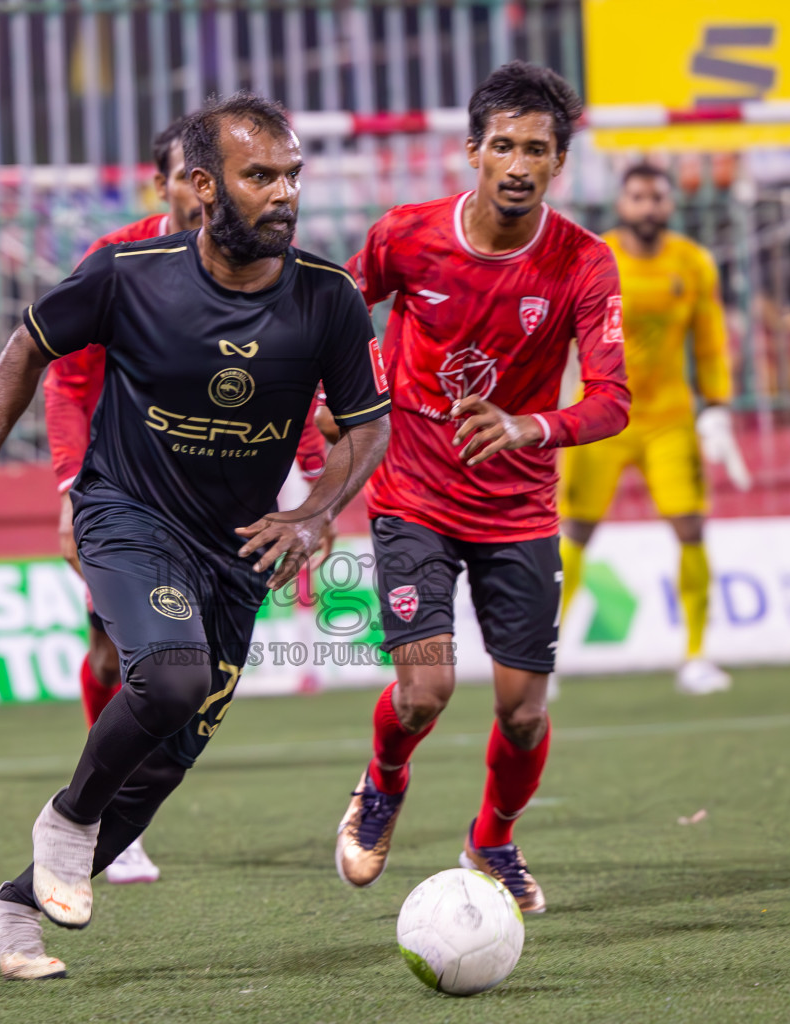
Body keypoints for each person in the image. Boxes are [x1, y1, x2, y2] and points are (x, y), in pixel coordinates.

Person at [0, 93, 391, 980]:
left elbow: (367, 427)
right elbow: (27, 349)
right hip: (127, 515)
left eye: (291, 175)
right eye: (260, 176)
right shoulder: (129, 273)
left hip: (236, 553)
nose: (283, 194)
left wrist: (319, 509)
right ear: (205, 186)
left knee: (163, 767)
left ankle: (10, 913)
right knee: (169, 679)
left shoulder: (329, 299)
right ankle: (65, 820)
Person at [332, 62, 630, 915]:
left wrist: (529, 424)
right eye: (503, 144)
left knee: (525, 712)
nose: (519, 163)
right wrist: (334, 400)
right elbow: (339, 313)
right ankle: (383, 784)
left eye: (537, 148)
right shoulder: (407, 236)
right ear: (472, 151)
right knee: (425, 690)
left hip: (519, 507)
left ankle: (493, 839)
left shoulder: (584, 263)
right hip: (412, 495)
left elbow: (612, 400)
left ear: (558, 163)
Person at [44, 117, 330, 886]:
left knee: (191, 678)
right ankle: (94, 815)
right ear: (180, 183)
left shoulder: (270, 273)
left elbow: (292, 384)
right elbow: (65, 382)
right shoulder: (119, 266)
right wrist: (74, 488)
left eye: (282, 176)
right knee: (128, 658)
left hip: (222, 509)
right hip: (129, 493)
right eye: (177, 176)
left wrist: (312, 485)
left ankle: (106, 813)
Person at [558, 164, 749, 696]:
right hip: (600, 416)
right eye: (638, 197)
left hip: (668, 418)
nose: (648, 207)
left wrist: (718, 405)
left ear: (670, 204)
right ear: (622, 205)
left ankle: (696, 655)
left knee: (691, 527)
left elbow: (710, 339)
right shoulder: (595, 256)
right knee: (574, 532)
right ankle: (542, 658)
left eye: (656, 197)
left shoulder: (692, 262)